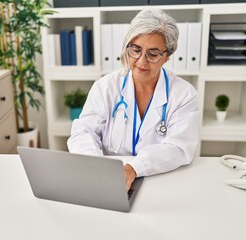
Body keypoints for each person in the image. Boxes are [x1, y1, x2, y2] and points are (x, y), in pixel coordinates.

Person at [67, 9, 199, 191]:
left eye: (152, 54)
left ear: (167, 56)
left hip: (161, 181)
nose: (141, 62)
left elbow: (179, 147)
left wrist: (134, 168)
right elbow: (84, 132)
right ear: (127, 47)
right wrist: (95, 167)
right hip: (109, 180)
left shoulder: (184, 94)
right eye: (136, 50)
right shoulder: (105, 87)